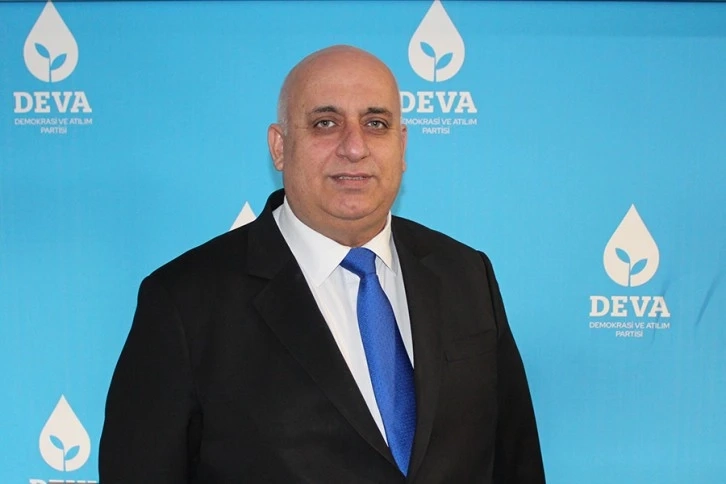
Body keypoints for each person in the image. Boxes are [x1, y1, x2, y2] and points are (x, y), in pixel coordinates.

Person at [99, 45, 546, 483]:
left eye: (376, 123)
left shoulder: (467, 274)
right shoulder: (184, 302)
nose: (354, 147)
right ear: (279, 147)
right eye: (325, 123)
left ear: (402, 145)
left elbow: (516, 462)